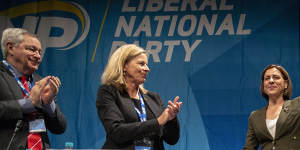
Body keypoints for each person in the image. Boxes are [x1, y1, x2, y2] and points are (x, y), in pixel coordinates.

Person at [96, 44, 182, 150]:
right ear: (124, 65)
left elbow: (172, 140)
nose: (147, 69)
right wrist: (157, 122)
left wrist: (171, 119)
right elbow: (117, 131)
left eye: (146, 64)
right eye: (141, 64)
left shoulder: (153, 98)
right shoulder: (108, 92)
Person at [0, 28, 66, 150]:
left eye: (40, 52)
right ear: (10, 48)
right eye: (31, 49)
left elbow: (60, 128)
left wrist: (48, 103)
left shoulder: (42, 83)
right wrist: (28, 104)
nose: (38, 56)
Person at [243, 64, 300, 150]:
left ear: (285, 84)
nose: (271, 81)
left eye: (276, 77)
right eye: (267, 78)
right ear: (263, 86)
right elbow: (249, 148)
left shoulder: (297, 105)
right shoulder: (254, 116)